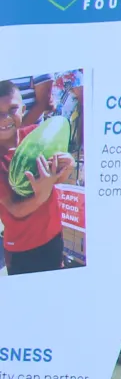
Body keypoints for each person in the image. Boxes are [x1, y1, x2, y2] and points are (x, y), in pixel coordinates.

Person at [0, 80, 74, 276]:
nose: (5, 118)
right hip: (21, 248)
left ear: (23, 108)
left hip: (53, 235)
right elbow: (14, 208)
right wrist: (41, 195)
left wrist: (68, 166)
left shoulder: (37, 135)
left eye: (13, 108)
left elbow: (57, 177)